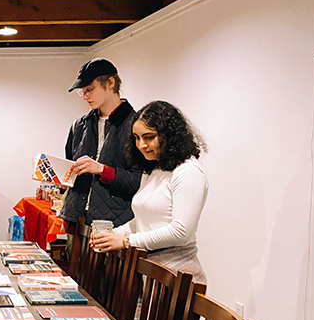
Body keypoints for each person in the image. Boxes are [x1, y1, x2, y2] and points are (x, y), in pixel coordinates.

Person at [91, 100, 208, 282]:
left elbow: (180, 232)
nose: (141, 144)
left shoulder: (188, 171)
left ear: (170, 136)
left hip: (177, 274)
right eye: (137, 138)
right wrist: (113, 234)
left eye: (149, 137)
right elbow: (142, 221)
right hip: (150, 268)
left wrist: (126, 241)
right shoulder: (153, 169)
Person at [58, 58, 141, 230]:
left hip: (114, 225)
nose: (85, 96)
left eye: (90, 89)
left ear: (110, 83)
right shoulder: (79, 125)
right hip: (76, 221)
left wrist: (102, 170)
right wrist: (59, 175)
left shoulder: (136, 126)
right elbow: (71, 169)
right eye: (82, 92)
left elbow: (140, 182)